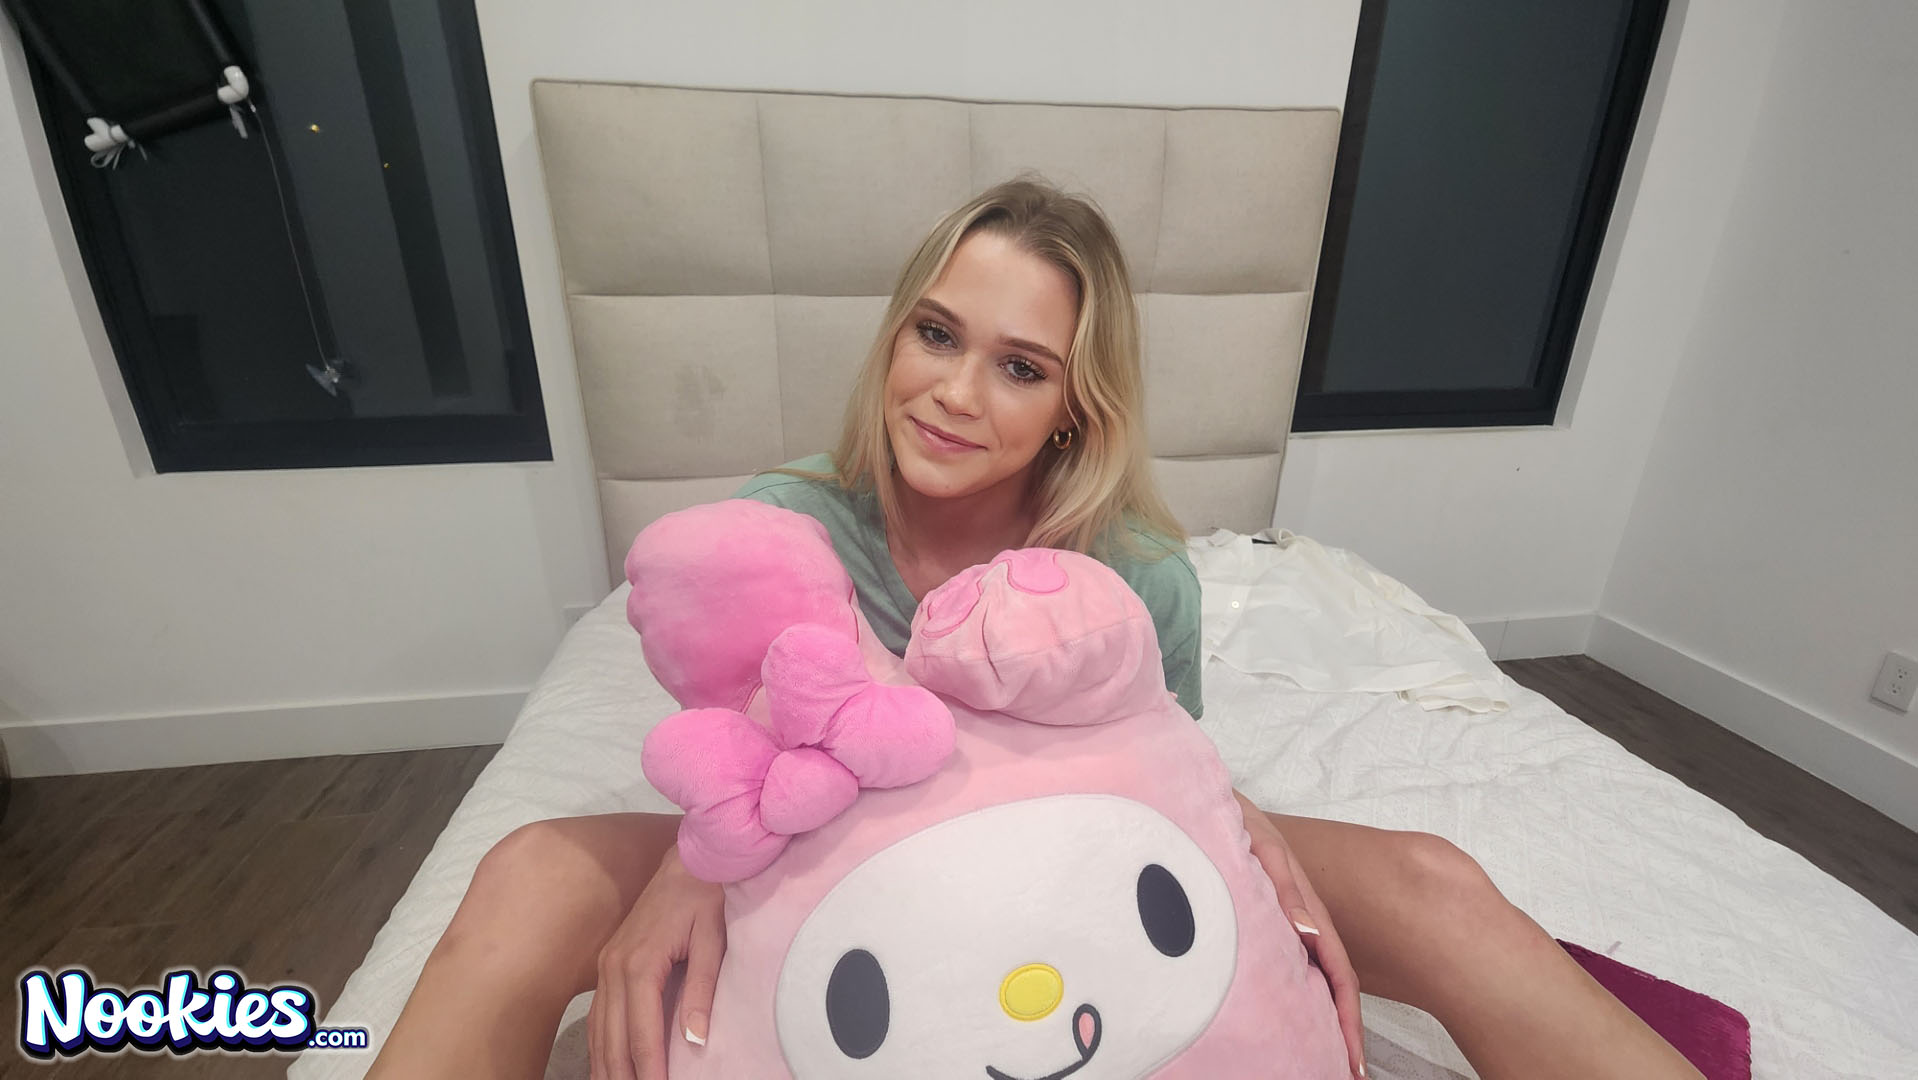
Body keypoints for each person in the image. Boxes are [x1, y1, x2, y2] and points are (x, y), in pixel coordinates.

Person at [367, 177, 1703, 1080]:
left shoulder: (1135, 573)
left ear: (1076, 407)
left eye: (1019, 367)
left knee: (1434, 880)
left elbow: (1167, 770)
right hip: (837, 842)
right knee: (530, 872)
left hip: (1060, 837)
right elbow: (741, 767)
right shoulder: (782, 533)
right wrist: (691, 867)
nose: (954, 393)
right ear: (893, 339)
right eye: (934, 335)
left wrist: (1252, 828)